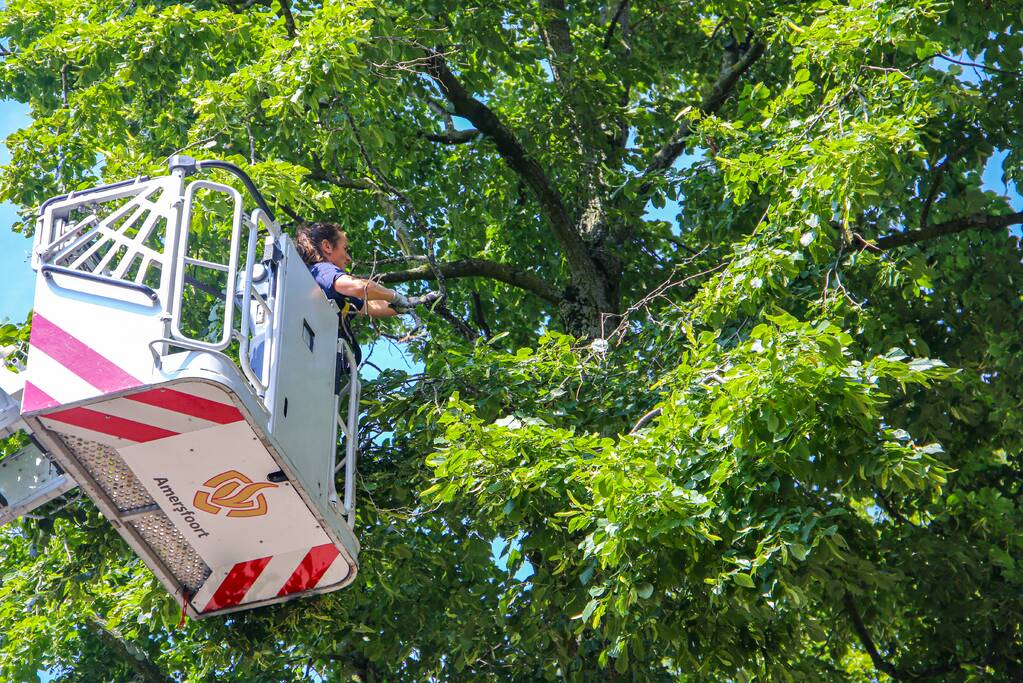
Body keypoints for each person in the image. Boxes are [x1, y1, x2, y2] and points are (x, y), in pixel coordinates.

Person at [294, 222, 437, 368]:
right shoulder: (322, 270)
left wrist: (411, 303)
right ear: (327, 247)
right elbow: (359, 287)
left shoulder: (322, 283)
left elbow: (370, 306)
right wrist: (394, 296)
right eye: (345, 249)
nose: (349, 258)